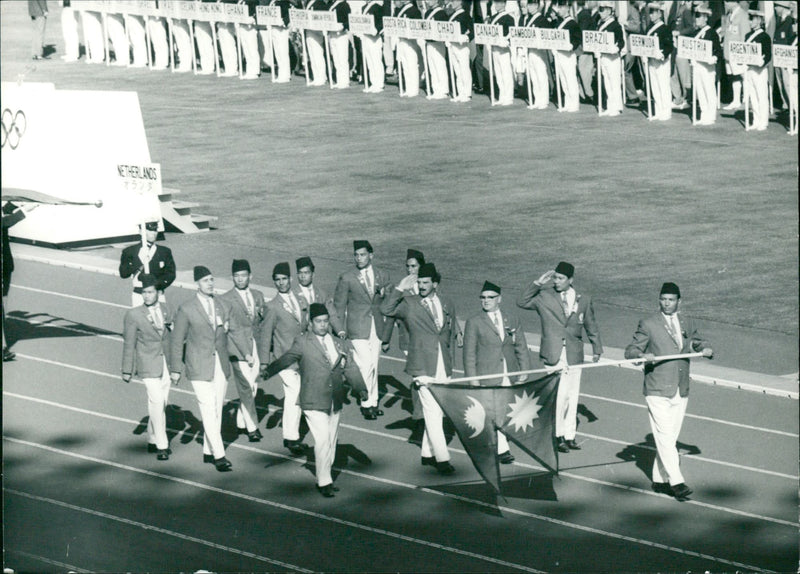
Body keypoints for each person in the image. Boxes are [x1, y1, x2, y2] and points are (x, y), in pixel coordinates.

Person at [263, 303, 367, 497]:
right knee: (322, 439)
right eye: (318, 321)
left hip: (334, 399)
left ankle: (325, 470)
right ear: (310, 323)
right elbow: (288, 358)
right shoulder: (302, 342)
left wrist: (361, 389)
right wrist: (269, 370)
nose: (322, 325)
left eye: (326, 321)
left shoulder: (339, 343)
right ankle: (324, 480)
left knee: (331, 440)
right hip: (312, 399)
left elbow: (350, 367)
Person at [624, 282, 713, 501]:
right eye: (663, 299)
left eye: (671, 300)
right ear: (659, 300)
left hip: (680, 387)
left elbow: (696, 342)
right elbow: (631, 349)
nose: (667, 303)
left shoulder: (687, 322)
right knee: (664, 435)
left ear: (678, 302)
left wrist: (705, 349)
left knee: (670, 438)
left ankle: (659, 479)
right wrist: (641, 356)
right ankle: (677, 481)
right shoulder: (648, 323)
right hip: (657, 387)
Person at [380, 263, 459, 475]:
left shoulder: (447, 302)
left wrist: (451, 362)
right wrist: (400, 288)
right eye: (419, 282)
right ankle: (442, 458)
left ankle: (426, 453)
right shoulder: (409, 303)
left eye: (426, 282)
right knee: (432, 412)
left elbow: (449, 334)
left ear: (435, 283)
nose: (422, 286)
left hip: (443, 364)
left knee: (440, 410)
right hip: (422, 366)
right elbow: (385, 309)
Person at [516, 261, 602, 454]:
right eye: (555, 277)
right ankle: (557, 435)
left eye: (560, 278)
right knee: (559, 396)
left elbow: (591, 324)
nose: (556, 281)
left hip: (574, 353)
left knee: (572, 396)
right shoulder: (544, 296)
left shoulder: (583, 299)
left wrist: (597, 348)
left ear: (570, 280)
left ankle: (570, 435)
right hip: (553, 353)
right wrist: (538, 283)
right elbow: (521, 301)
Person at [169, 266, 233, 472]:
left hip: (220, 365)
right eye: (205, 280)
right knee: (208, 409)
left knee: (217, 409)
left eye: (212, 279)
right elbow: (177, 340)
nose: (210, 283)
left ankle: (208, 450)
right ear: (197, 283)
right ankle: (220, 455)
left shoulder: (222, 305)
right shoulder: (187, 308)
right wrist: (176, 368)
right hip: (198, 366)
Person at [463, 280, 530, 465]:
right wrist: (473, 380)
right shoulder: (474, 322)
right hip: (488, 374)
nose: (486, 301)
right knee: (493, 413)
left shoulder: (511, 318)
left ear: (499, 299)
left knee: (504, 412)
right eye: (483, 298)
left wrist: (524, 370)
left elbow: (520, 346)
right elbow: (469, 353)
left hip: (508, 373)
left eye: (490, 297)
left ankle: (494, 443)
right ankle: (502, 448)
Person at [332, 240, 390, 421]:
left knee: (374, 364)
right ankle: (366, 403)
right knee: (366, 364)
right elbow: (339, 306)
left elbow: (388, 304)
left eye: (363, 254)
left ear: (371, 255)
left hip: (377, 327)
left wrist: (387, 333)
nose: (359, 258)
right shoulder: (347, 277)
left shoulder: (382, 275)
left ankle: (373, 401)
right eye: (356, 255)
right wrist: (339, 331)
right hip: (357, 327)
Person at [121, 273, 176, 461]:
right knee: (157, 401)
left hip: (165, 365)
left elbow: (172, 340)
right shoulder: (133, 314)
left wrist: (175, 367)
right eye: (144, 292)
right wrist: (126, 369)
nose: (146, 296)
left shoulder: (168, 310)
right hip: (147, 364)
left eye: (150, 292)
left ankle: (152, 438)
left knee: (161, 404)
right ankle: (162, 445)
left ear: (158, 293)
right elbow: (129, 343)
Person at [260, 262, 309, 455]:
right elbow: (265, 335)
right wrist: (265, 362)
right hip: (284, 358)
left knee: (299, 393)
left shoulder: (300, 299)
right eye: (277, 280)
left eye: (284, 279)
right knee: (294, 393)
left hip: (302, 355)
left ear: (290, 279)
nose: (281, 283)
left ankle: (293, 432)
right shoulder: (272, 306)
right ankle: (291, 437)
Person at [220, 259, 266, 442]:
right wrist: (244, 352)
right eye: (236, 276)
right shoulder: (225, 299)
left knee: (253, 386)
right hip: (238, 349)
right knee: (246, 386)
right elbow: (230, 329)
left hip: (255, 345)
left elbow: (261, 322)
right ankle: (252, 427)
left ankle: (240, 421)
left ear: (250, 276)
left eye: (243, 275)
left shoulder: (258, 295)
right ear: (232, 277)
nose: (240, 279)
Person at [2, 202, 38, 362]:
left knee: (3, 308)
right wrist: (24, 210)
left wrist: (19, 202)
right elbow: (6, 221)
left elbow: (5, 212)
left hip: (6, 266)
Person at [118, 220, 176, 307]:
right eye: (150, 230)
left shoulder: (164, 251)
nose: (153, 233)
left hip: (158, 293)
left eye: (155, 230)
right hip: (139, 294)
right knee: (140, 319)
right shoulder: (130, 251)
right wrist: (138, 261)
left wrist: (157, 286)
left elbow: (170, 274)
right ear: (141, 232)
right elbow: (123, 274)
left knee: (161, 319)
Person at [691, 2, 723, 126]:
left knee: (709, 90)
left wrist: (713, 58)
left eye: (699, 16)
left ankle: (711, 115)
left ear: (705, 18)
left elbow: (718, 51)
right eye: (696, 16)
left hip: (708, 67)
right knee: (700, 91)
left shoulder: (711, 33)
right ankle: (704, 113)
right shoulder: (696, 33)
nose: (697, 19)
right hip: (698, 65)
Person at [743, 8, 772, 132]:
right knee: (752, 96)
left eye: (752, 19)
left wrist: (762, 62)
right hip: (749, 68)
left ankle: (763, 121)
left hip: (759, 70)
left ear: (759, 20)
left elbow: (768, 54)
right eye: (749, 19)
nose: (750, 22)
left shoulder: (764, 36)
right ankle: (755, 119)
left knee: (761, 95)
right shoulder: (747, 36)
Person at [644, 1, 673, 121]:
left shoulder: (665, 28)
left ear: (660, 14)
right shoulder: (649, 28)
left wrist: (662, 54)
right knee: (654, 86)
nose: (651, 15)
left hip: (661, 61)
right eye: (650, 13)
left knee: (663, 86)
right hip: (651, 60)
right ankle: (658, 109)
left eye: (653, 13)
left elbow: (669, 45)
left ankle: (666, 111)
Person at [552, 0, 582, 112]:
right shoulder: (558, 22)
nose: (559, 10)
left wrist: (571, 45)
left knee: (570, 79)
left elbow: (577, 38)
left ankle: (574, 103)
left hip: (568, 55)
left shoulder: (572, 23)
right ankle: (567, 102)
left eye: (561, 8)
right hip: (559, 54)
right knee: (563, 80)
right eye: (558, 8)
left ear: (567, 8)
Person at [596, 1, 625, 117]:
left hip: (613, 57)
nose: (600, 12)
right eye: (600, 10)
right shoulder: (599, 24)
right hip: (603, 56)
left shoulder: (615, 25)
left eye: (602, 10)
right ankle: (610, 105)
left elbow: (621, 41)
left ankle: (617, 107)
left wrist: (616, 48)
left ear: (608, 11)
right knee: (607, 82)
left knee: (614, 82)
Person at [522, 0, 552, 109]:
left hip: (539, 51)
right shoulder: (528, 19)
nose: (529, 7)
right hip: (530, 51)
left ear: (537, 6)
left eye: (532, 5)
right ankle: (537, 99)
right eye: (529, 5)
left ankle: (544, 100)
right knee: (533, 76)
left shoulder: (542, 20)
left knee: (541, 75)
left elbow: (547, 35)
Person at [721, 0, 749, 110]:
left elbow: (745, 34)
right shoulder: (729, 15)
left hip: (738, 52)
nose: (725, 5)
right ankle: (736, 100)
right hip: (728, 51)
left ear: (734, 3)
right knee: (734, 76)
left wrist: (742, 53)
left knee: (743, 75)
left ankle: (746, 99)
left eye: (727, 2)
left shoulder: (743, 15)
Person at [445, 0, 474, 102]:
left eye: (454, 1)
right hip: (453, 45)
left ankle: (467, 93)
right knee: (457, 70)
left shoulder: (465, 15)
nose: (452, 3)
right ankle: (460, 92)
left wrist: (466, 37)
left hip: (462, 47)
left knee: (464, 70)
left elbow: (472, 31)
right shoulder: (451, 15)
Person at [667, 0, 694, 110]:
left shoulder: (685, 10)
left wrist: (679, 33)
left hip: (682, 46)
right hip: (673, 45)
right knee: (673, 72)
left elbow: (691, 28)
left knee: (684, 74)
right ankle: (677, 98)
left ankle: (686, 98)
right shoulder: (674, 7)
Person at [489, 0, 516, 106]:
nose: (497, 5)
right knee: (498, 73)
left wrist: (506, 41)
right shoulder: (492, 17)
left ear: (504, 4)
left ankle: (509, 97)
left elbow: (511, 33)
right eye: (496, 3)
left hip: (504, 49)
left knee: (506, 73)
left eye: (499, 3)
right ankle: (502, 95)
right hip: (495, 48)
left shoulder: (509, 18)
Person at [394, 0, 423, 98]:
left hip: (410, 41)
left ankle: (414, 89)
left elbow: (417, 27)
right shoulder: (399, 10)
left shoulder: (414, 10)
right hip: (401, 40)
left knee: (412, 65)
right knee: (405, 66)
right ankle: (408, 87)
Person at [423, 0, 450, 100]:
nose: (428, 1)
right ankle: (436, 89)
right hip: (429, 43)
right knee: (432, 68)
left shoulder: (441, 13)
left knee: (440, 67)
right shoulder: (427, 13)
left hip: (438, 43)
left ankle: (444, 90)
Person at [773, 2, 797, 114]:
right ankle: (787, 105)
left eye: (777, 6)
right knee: (781, 82)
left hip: (786, 57)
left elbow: (791, 39)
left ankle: (793, 106)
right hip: (778, 56)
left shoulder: (790, 21)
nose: (775, 9)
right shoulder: (778, 19)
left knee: (787, 83)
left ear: (783, 8)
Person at [575, 1, 598, 105]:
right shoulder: (585, 14)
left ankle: (589, 94)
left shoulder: (584, 15)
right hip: (584, 48)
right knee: (584, 70)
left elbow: (580, 32)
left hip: (584, 48)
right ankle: (586, 94)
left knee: (584, 70)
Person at [361, 0, 386, 92]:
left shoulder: (377, 7)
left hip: (374, 38)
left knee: (376, 60)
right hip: (366, 36)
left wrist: (376, 30)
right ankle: (373, 82)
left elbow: (381, 21)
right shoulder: (363, 7)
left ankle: (379, 84)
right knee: (370, 62)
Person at [328, 0, 352, 89]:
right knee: (336, 59)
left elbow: (348, 20)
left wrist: (342, 26)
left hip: (341, 34)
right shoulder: (331, 4)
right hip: (332, 34)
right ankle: (339, 80)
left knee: (342, 59)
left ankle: (345, 81)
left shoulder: (344, 4)